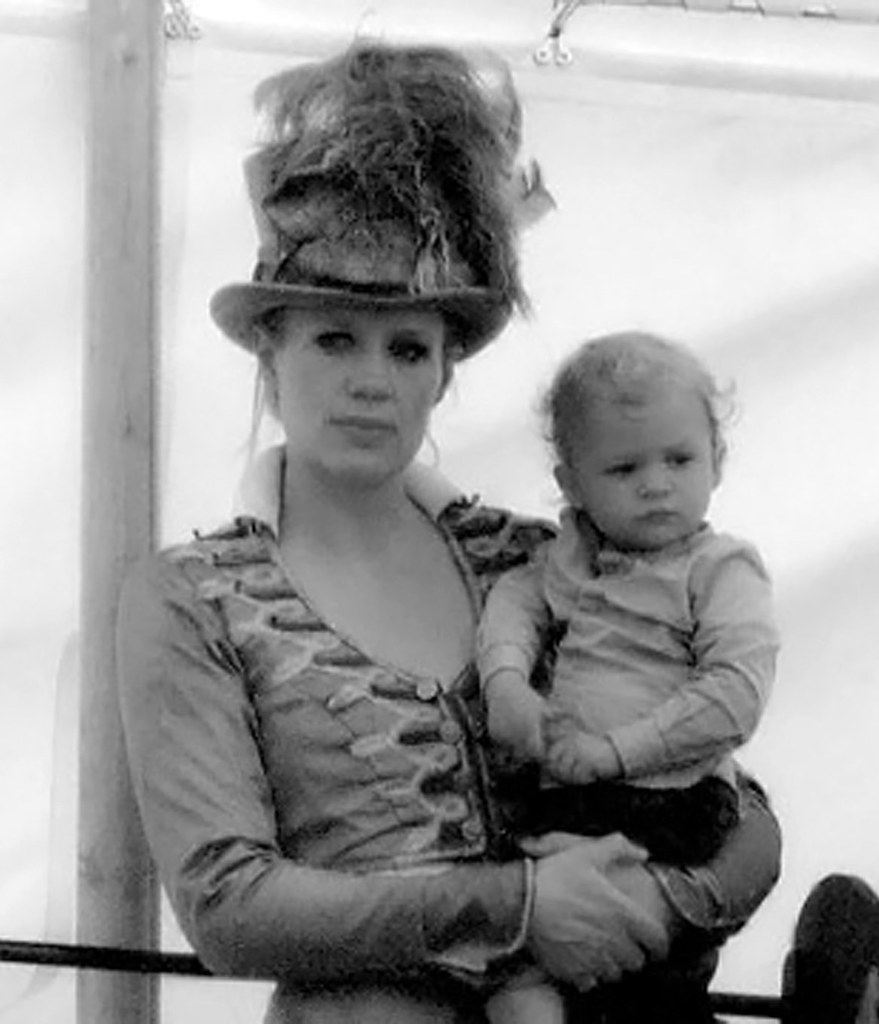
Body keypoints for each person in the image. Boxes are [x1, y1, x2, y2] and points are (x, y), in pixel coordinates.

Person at [115, 41, 782, 1024]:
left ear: (444, 370)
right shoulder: (194, 595)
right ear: (271, 352)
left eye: (408, 346)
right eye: (334, 337)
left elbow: (738, 805)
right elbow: (229, 904)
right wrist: (519, 908)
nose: (372, 379)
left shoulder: (533, 559)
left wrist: (668, 899)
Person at [477, 331, 780, 1023]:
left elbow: (734, 695)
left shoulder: (718, 570)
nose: (656, 484)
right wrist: (507, 685)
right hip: (576, 796)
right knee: (529, 942)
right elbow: (515, 603)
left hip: (670, 795)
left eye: (680, 459)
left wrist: (616, 752)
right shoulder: (570, 559)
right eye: (623, 469)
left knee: (625, 959)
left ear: (717, 461)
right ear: (571, 484)